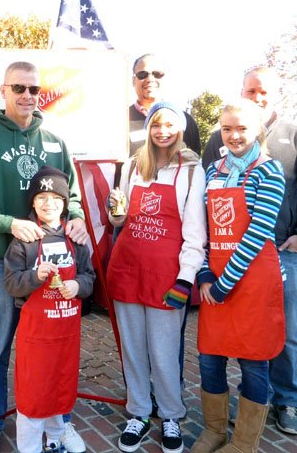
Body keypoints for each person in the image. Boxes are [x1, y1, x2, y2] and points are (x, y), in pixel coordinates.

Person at [0, 61, 89, 453]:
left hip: (53, 271)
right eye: (19, 88)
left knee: (53, 349)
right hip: (1, 263)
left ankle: (57, 421)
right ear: (3, 90)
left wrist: (76, 219)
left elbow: (73, 197)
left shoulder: (55, 142)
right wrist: (8, 223)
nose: (27, 96)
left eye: (33, 89)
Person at [202, 66, 297, 435]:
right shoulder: (219, 141)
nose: (256, 97)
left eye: (262, 91)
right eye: (249, 90)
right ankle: (243, 405)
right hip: (227, 259)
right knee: (234, 335)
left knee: (284, 332)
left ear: (275, 93)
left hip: (281, 252)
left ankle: (286, 400)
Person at [106, 102, 206, 453]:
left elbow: (195, 232)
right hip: (127, 266)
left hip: (167, 274)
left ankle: (171, 416)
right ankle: (138, 411)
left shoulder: (192, 169)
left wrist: (186, 278)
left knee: (164, 352)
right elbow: (121, 220)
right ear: (148, 128)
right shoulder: (133, 165)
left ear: (180, 129)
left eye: (169, 125)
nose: (162, 131)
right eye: (156, 125)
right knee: (133, 349)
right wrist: (114, 211)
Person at [193, 99, 286, 453]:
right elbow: (200, 226)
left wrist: (223, 284)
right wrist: (204, 273)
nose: (233, 135)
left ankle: (244, 443)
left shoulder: (270, 171)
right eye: (227, 128)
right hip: (214, 279)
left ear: (258, 130)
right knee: (209, 357)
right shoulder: (213, 170)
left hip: (251, 281)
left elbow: (258, 231)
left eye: (242, 128)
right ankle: (215, 431)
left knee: (253, 361)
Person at [3, 166, 95, 453]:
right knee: (34, 389)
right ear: (32, 202)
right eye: (41, 197)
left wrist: (78, 287)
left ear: (65, 202)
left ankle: (56, 437)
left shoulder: (75, 239)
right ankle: (29, 446)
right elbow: (11, 283)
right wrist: (35, 276)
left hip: (66, 333)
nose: (48, 203)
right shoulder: (25, 240)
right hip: (37, 334)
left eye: (55, 197)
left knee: (60, 384)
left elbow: (89, 276)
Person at [128, 53, 201, 156]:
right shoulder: (121, 122)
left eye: (157, 74)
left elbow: (194, 161)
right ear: (133, 81)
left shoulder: (185, 121)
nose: (150, 79)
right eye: (142, 74)